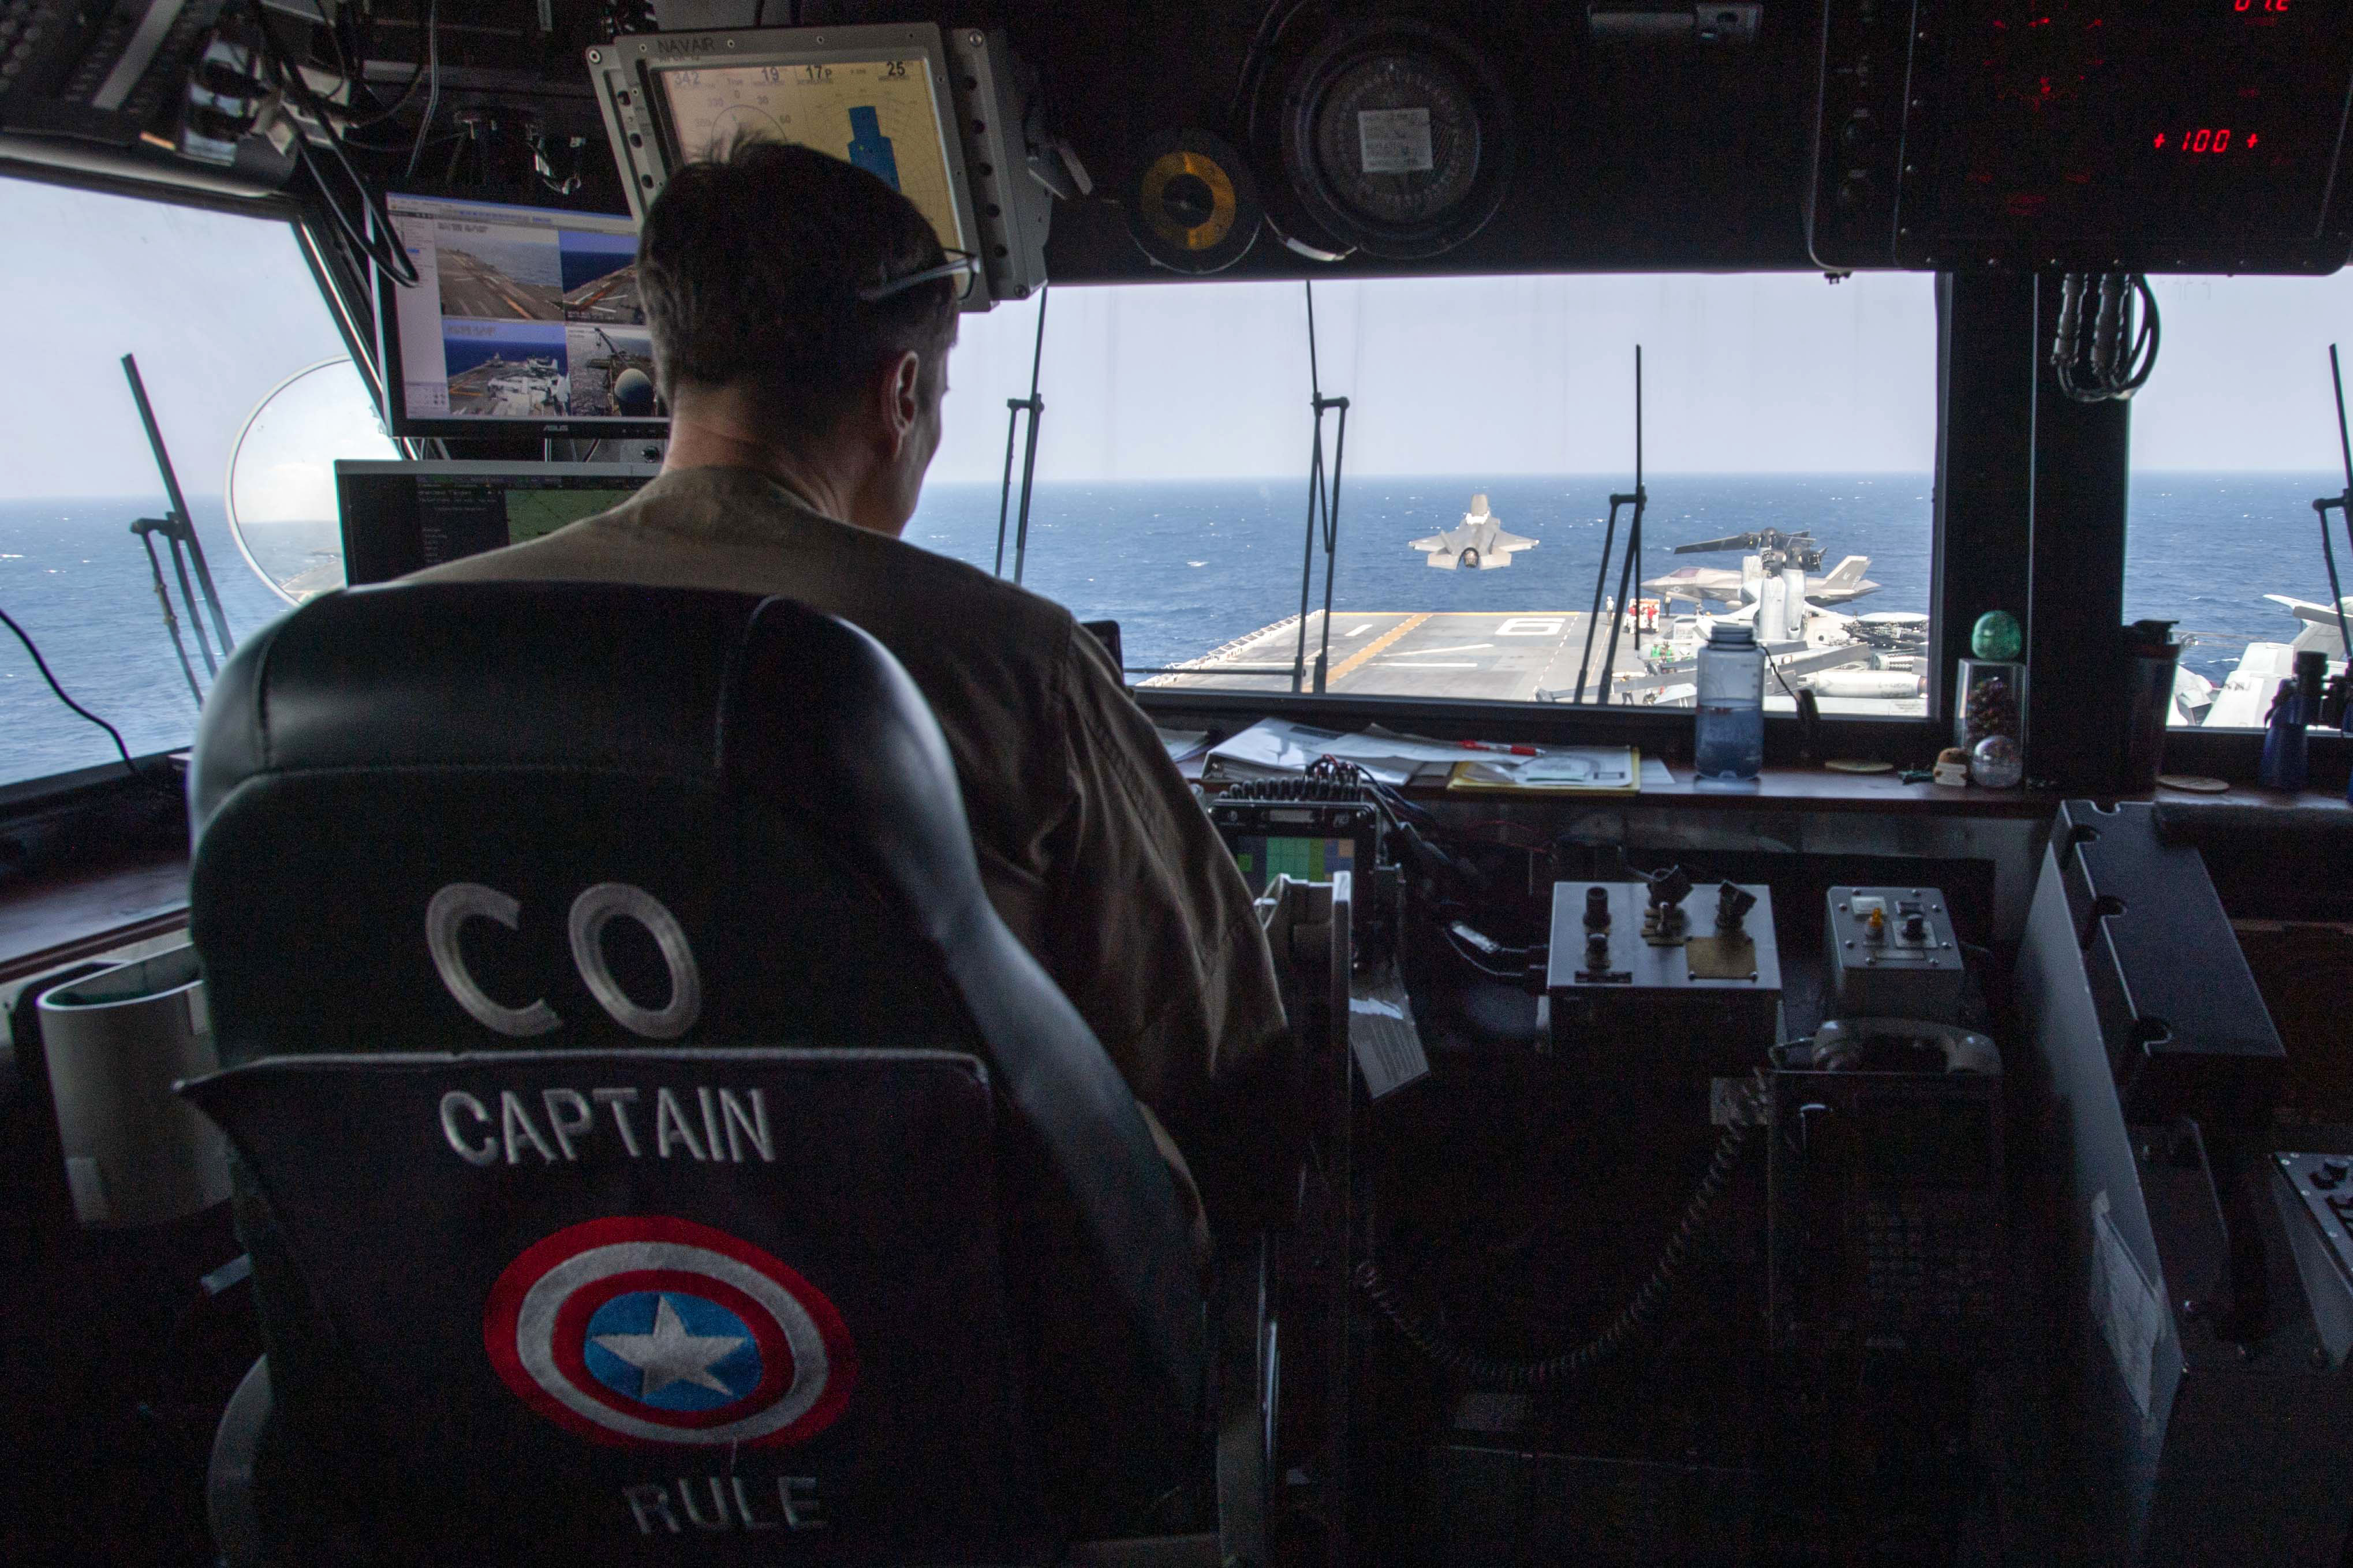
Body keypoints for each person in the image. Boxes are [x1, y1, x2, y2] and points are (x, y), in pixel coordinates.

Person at [410, 141, 1291, 1256]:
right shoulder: (1009, 663)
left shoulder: (367, 659)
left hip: (515, 1350)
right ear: (903, 391)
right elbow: (1219, 1055)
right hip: (946, 1370)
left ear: (673, 366)